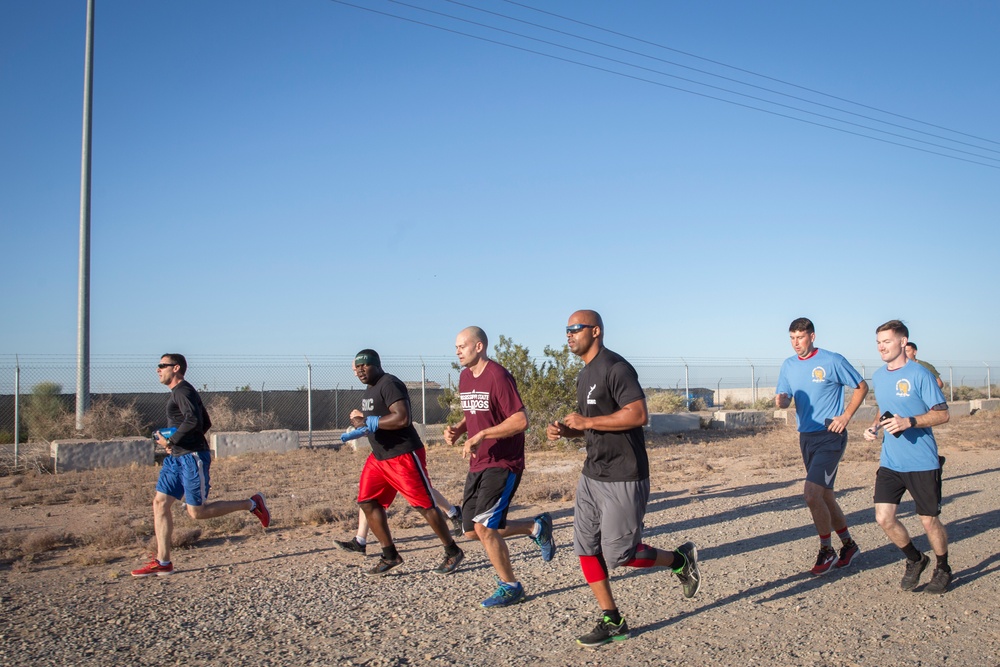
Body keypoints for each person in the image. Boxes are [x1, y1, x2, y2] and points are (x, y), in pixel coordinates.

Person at [546, 311, 700, 647]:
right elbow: (596, 425)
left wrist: (586, 424)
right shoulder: (584, 374)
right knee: (585, 548)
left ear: (595, 331)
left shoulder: (616, 368)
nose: (569, 335)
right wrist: (567, 431)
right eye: (567, 330)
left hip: (624, 475)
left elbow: (638, 414)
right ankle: (613, 620)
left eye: (576, 329)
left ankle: (679, 559)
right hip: (593, 472)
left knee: (620, 555)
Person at [443, 326, 556, 608]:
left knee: (484, 527)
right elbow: (477, 413)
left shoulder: (498, 375)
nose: (457, 351)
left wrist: (482, 435)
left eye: (462, 346)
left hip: (504, 461)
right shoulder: (465, 376)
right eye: (456, 347)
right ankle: (534, 527)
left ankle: (511, 586)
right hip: (479, 461)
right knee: (471, 530)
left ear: (479, 347)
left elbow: (520, 421)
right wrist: (459, 429)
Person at [132, 354, 270, 577]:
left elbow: (194, 421)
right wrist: (175, 444)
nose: (157, 369)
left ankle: (251, 504)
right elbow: (205, 422)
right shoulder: (180, 393)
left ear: (175, 368)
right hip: (177, 457)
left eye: (162, 366)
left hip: (191, 457)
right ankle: (163, 561)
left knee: (196, 512)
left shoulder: (183, 391)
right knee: (159, 503)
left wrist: (173, 440)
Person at [344, 349, 464, 576]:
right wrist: (361, 427)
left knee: (424, 505)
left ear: (377, 364)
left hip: (403, 454)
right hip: (379, 457)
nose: (360, 370)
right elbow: (375, 423)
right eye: (357, 367)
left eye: (364, 365)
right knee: (367, 502)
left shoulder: (390, 383)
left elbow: (402, 417)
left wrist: (367, 421)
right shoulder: (370, 390)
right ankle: (390, 555)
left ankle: (452, 551)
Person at [864, 320, 952, 594]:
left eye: (887, 341)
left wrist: (909, 422)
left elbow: (943, 413)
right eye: (878, 342)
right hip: (891, 461)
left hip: (921, 461)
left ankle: (943, 567)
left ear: (903, 342)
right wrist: (875, 426)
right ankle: (916, 559)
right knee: (883, 518)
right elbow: (884, 408)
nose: (881, 347)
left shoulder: (920, 374)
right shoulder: (878, 376)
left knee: (928, 520)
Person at [775, 318, 867, 576]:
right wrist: (782, 402)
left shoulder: (832, 360)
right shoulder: (788, 365)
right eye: (792, 338)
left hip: (830, 435)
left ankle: (826, 550)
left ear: (812, 336)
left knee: (811, 495)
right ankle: (848, 546)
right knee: (825, 496)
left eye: (800, 337)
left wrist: (846, 416)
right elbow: (784, 400)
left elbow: (861, 387)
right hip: (806, 436)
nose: (796, 343)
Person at [335, 487, 464, 553]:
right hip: (384, 455)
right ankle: (360, 541)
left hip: (401, 453)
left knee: (421, 488)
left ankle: (453, 514)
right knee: (368, 494)